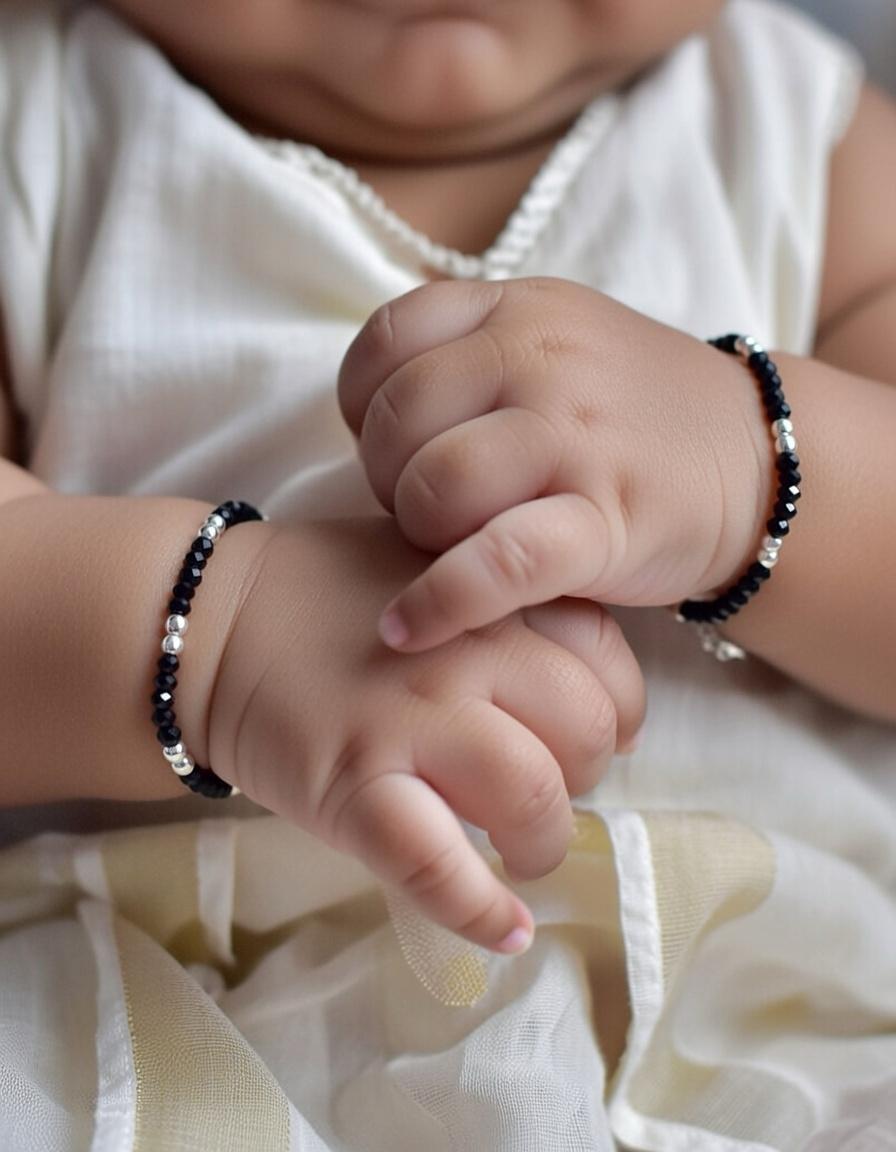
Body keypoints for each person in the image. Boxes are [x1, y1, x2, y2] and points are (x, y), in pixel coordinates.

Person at [0, 0, 894, 1148]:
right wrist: (212, 641)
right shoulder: (41, 126)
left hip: (789, 1045)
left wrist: (754, 460)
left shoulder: (802, 138)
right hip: (168, 1042)